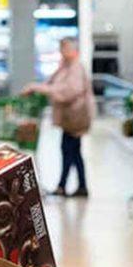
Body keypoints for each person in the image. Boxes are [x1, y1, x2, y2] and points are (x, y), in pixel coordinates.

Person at [23, 37, 94, 198]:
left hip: (76, 118)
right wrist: (37, 87)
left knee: (69, 150)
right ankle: (79, 186)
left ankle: (63, 185)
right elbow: (52, 83)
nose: (63, 52)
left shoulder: (76, 68)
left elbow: (69, 91)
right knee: (74, 152)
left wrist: (39, 88)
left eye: (65, 49)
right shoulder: (66, 67)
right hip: (70, 118)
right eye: (61, 49)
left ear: (73, 50)